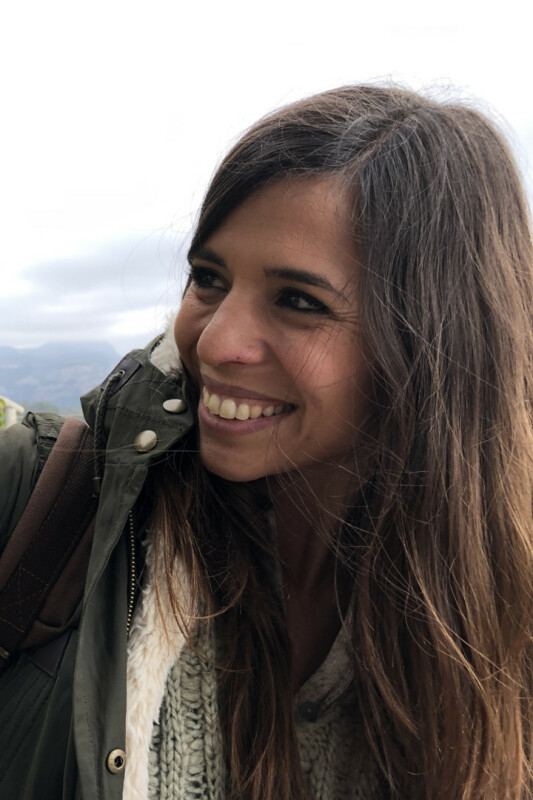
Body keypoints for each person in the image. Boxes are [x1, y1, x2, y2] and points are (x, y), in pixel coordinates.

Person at [1, 84, 532, 800]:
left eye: (299, 301)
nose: (215, 342)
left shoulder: (503, 622)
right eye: (208, 279)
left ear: (433, 346)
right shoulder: (44, 500)